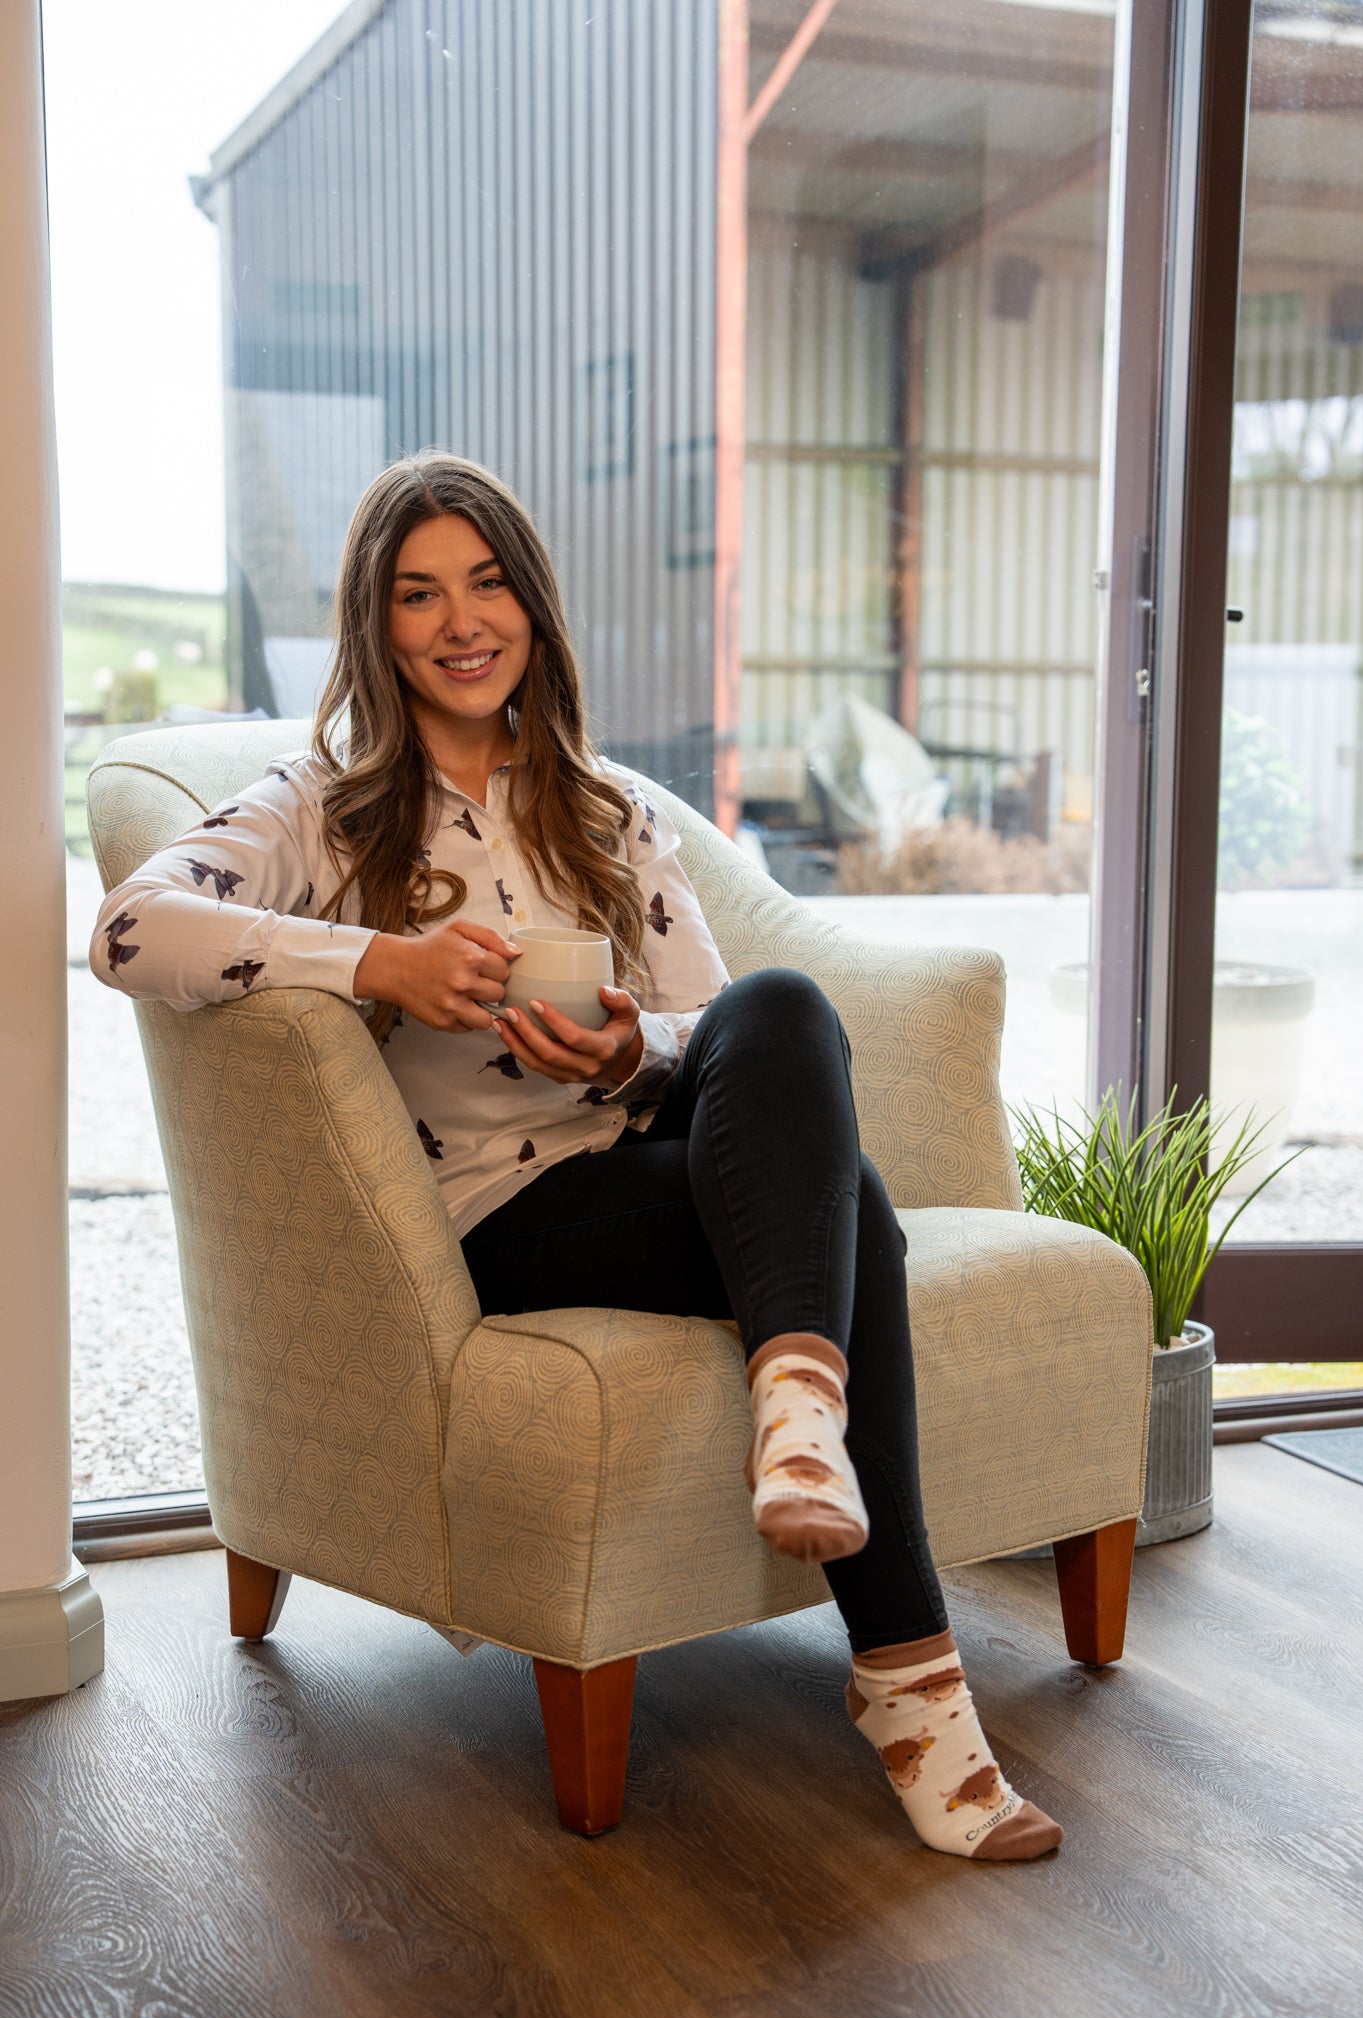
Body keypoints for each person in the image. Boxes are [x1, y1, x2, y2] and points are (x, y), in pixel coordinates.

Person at [92, 451, 1062, 1862]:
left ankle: (801, 1418)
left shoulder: (609, 809)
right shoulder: (318, 806)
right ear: (377, 625)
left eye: (487, 584)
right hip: (493, 1216)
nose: (460, 621)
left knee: (784, 1012)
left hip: (630, 1165)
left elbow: (717, 1028)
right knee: (851, 1209)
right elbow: (130, 930)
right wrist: (383, 963)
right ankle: (913, 1689)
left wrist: (623, 1056)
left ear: (533, 609)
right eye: (419, 594)